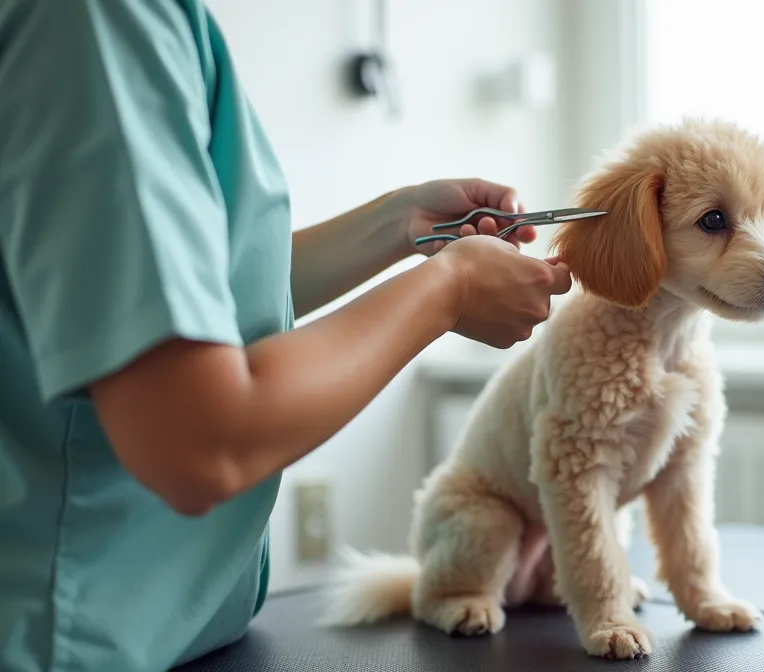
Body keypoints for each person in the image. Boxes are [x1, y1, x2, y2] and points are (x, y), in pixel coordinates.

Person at [0, 2, 573, 670]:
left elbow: (183, 296)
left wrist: (395, 225)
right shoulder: (99, 20)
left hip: (172, 631)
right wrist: (448, 291)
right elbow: (198, 440)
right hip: (72, 639)